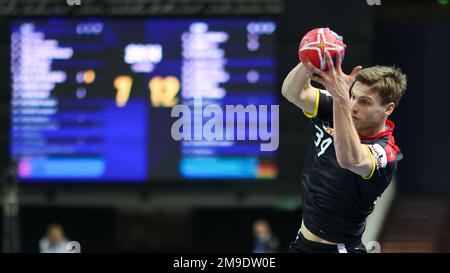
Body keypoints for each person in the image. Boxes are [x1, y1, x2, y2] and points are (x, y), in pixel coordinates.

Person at [282, 50, 406, 253]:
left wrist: (341, 99)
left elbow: (349, 159)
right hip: (301, 243)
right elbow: (293, 93)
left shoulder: (386, 152)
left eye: (365, 102)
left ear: (388, 109)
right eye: (353, 96)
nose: (354, 106)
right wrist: (310, 57)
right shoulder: (338, 104)